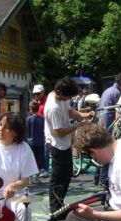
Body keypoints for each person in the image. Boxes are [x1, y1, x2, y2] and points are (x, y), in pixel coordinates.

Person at [44, 77, 95, 213]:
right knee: (59, 177)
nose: (69, 99)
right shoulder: (53, 108)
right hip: (58, 145)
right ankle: (55, 207)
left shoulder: (59, 97)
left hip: (64, 144)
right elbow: (59, 132)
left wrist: (83, 115)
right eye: (68, 97)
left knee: (66, 175)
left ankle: (58, 203)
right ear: (61, 94)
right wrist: (80, 124)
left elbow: (70, 112)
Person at [32, 84, 49, 177]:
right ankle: (38, 169)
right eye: (35, 94)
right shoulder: (35, 101)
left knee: (45, 148)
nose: (36, 95)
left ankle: (45, 169)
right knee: (37, 149)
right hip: (37, 128)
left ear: (43, 92)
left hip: (45, 127)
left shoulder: (47, 101)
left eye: (38, 93)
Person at [26, 101, 46, 177]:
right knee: (39, 159)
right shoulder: (42, 119)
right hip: (40, 141)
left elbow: (27, 131)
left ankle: (32, 175)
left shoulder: (28, 119)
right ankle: (38, 174)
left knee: (31, 160)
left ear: (30, 109)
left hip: (31, 141)